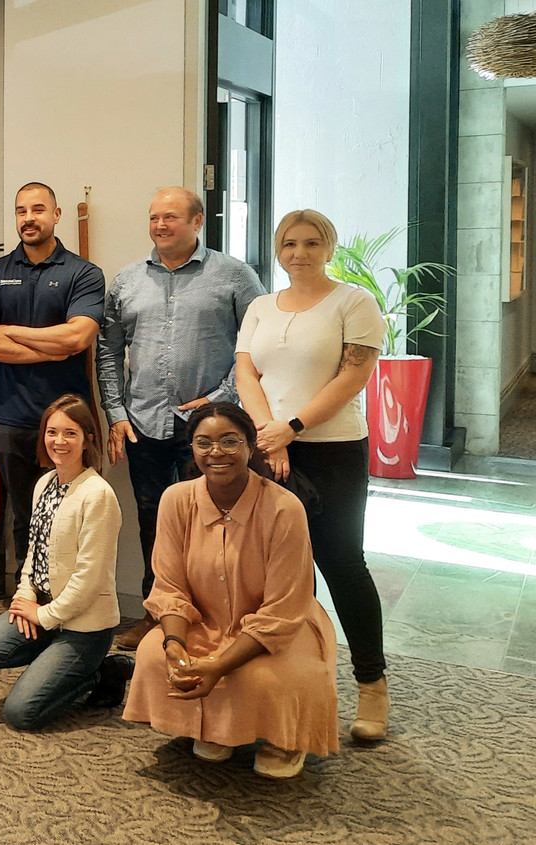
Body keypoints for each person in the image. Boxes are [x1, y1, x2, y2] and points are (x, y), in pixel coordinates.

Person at [122, 402, 340, 779]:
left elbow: (283, 609)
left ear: (251, 446)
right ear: (191, 449)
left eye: (229, 441)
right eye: (203, 443)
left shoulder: (284, 508)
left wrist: (217, 666)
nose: (216, 452)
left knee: (261, 676)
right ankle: (219, 727)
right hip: (207, 621)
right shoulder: (176, 500)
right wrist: (174, 644)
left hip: (284, 626)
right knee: (154, 655)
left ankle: (286, 740)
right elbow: (169, 586)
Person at [235, 209, 388, 741]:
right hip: (265, 448)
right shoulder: (260, 306)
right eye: (289, 244)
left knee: (342, 564)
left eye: (310, 242)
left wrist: (293, 428)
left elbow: (354, 375)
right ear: (278, 250)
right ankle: (281, 680)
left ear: (329, 246)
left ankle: (372, 685)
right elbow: (245, 370)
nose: (299, 253)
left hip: (333, 450)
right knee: (270, 572)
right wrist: (266, 431)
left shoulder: (354, 302)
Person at [98, 187, 266, 651]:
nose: (160, 225)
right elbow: (108, 353)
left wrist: (220, 397)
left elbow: (259, 344)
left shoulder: (234, 276)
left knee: (218, 524)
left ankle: (220, 621)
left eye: (171, 217)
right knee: (154, 524)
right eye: (154, 217)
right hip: (144, 424)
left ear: (197, 222)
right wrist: (115, 413)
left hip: (212, 430)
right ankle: (160, 618)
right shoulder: (127, 280)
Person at [0, 182, 105, 594]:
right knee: (22, 516)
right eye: (21, 210)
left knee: (68, 515)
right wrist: (51, 346)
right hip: (11, 416)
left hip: (68, 418)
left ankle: (65, 597)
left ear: (57, 214)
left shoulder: (82, 273)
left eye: (38, 209)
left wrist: (9, 330)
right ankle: (23, 598)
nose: (29, 218)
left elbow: (78, 339)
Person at [0, 394, 126, 730]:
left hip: (84, 624)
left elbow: (90, 579)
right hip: (42, 606)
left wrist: (44, 617)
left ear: (88, 439)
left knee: (21, 714)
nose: (59, 441)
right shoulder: (44, 483)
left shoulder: (97, 495)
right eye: (52, 432)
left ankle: (98, 672)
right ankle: (57, 662)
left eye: (70, 433)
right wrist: (25, 593)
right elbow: (34, 551)